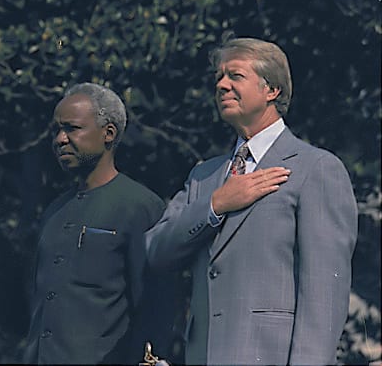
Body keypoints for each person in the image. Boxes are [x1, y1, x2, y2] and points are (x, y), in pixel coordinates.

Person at [145, 37, 358, 365]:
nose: (221, 85)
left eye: (235, 75)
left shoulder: (317, 168)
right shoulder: (204, 176)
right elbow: (155, 251)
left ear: (271, 90)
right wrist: (216, 204)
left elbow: (323, 300)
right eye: (218, 77)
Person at [24, 83, 173, 365]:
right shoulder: (55, 211)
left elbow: (156, 306)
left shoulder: (139, 206)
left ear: (109, 133)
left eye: (72, 128)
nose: (60, 139)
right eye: (56, 130)